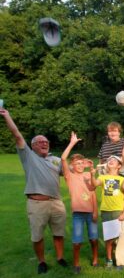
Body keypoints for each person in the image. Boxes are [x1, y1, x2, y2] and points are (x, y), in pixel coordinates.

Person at [0, 108, 68, 274]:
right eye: (40, 142)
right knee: (37, 236)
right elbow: (17, 135)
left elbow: (69, 173)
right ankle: (42, 261)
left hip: (57, 203)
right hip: (37, 203)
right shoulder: (28, 157)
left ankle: (60, 258)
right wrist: (7, 115)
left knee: (59, 233)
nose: (44, 143)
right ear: (32, 146)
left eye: (46, 142)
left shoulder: (56, 160)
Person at [61, 132, 98, 274]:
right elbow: (63, 158)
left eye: (82, 163)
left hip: (90, 212)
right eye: (77, 163)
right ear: (72, 165)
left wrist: (95, 211)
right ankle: (76, 263)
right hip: (77, 214)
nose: (80, 165)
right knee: (77, 242)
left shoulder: (88, 175)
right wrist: (72, 143)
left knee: (94, 239)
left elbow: (93, 193)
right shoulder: (69, 176)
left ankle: (95, 260)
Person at [89, 155, 124, 269]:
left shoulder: (122, 179)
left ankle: (119, 259)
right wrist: (92, 174)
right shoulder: (103, 177)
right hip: (106, 211)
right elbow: (95, 184)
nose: (110, 161)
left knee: (118, 237)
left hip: (119, 211)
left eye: (114, 161)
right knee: (109, 238)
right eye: (109, 161)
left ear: (119, 166)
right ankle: (109, 259)